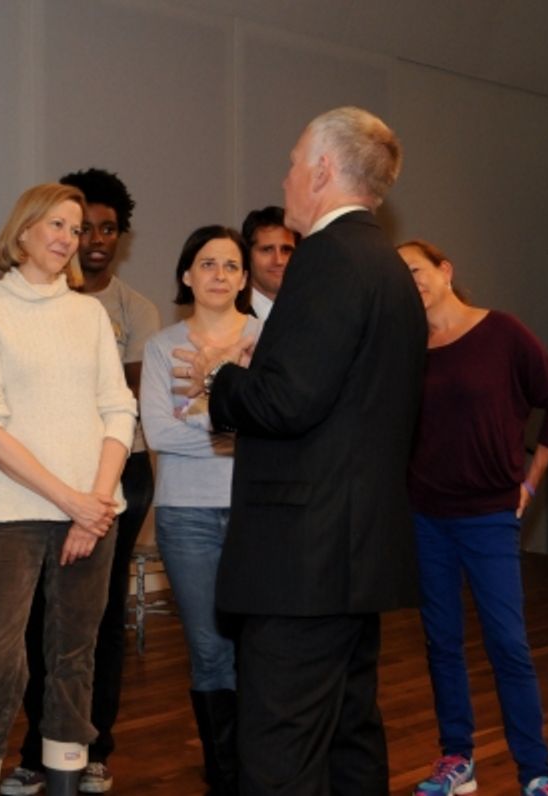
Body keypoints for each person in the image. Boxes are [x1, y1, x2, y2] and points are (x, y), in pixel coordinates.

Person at [178, 106, 427, 794]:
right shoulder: (386, 266)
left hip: (304, 558)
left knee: (280, 750)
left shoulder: (328, 258)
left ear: (322, 170)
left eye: (293, 162)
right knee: (348, 738)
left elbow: (287, 403)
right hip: (353, 551)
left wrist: (221, 377)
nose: (285, 176)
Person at [0, 183, 137, 796]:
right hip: (13, 514)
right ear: (22, 232)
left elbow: (118, 409)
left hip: (93, 512)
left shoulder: (89, 315)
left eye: (75, 228)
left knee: (74, 656)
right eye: (55, 224)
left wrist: (95, 504)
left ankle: (66, 779)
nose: (67, 238)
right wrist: (70, 499)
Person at [399, 240, 548, 796]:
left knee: (507, 641)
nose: (412, 283)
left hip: (488, 516)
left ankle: (536, 771)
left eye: (418, 270)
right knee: (441, 642)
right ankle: (458, 759)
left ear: (445, 270)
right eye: (399, 276)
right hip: (425, 516)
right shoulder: (406, 349)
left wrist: (531, 478)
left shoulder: (501, 331)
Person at [3, 167, 158, 796]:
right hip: (42, 478)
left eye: (107, 228)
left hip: (119, 472)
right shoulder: (22, 298)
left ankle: (92, 745)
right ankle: (38, 746)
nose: (91, 238)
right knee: (38, 618)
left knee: (96, 618)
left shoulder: (134, 310)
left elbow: (120, 400)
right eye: (78, 225)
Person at [140, 225, 260, 795]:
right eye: (207, 264)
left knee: (259, 645)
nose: (219, 274)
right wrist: (237, 428)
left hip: (258, 512)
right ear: (187, 275)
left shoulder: (268, 339)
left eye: (231, 265)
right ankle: (226, 777)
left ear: (245, 277)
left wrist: (209, 418)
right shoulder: (163, 347)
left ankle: (264, 768)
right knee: (211, 650)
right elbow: (160, 433)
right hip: (186, 515)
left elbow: (283, 421)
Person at [239, 204, 297, 322]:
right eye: (267, 250)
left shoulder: (314, 312)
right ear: (247, 255)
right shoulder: (228, 314)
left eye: (286, 250)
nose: (279, 261)